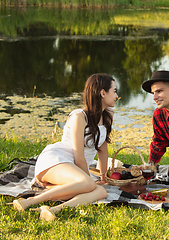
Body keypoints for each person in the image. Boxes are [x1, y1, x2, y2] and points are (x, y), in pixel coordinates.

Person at [8, 73, 118, 220]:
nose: (117, 95)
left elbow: (103, 150)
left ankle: (55, 210)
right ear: (103, 93)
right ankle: (29, 201)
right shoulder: (79, 117)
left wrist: (104, 177)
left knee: (102, 192)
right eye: (114, 91)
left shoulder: (106, 117)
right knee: (89, 184)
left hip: (74, 169)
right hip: (56, 160)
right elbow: (79, 157)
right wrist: (89, 181)